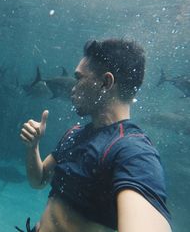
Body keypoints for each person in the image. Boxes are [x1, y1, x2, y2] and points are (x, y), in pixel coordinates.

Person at [19, 39, 172, 232]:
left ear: (106, 82)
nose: (73, 88)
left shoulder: (132, 151)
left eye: (79, 78)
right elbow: (39, 181)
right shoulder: (74, 135)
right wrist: (33, 147)